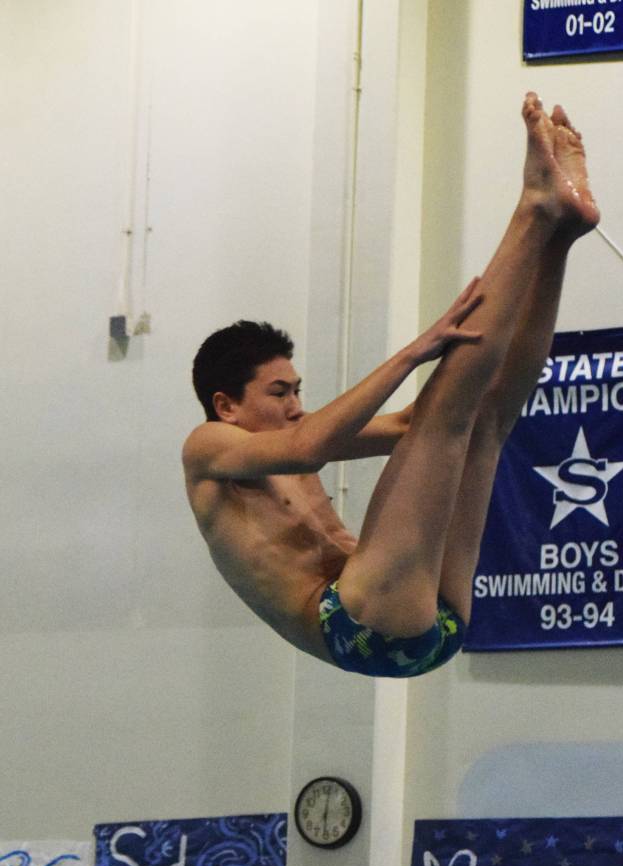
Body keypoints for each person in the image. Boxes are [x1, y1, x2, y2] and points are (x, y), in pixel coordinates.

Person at [183, 93, 599, 677]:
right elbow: (309, 452)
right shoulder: (208, 449)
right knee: (445, 420)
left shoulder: (291, 438)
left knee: (484, 423)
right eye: (279, 394)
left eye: (298, 389)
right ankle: (532, 211)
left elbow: (407, 424)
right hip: (356, 626)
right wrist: (415, 352)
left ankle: (560, 239)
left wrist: (439, 381)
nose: (297, 406)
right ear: (225, 404)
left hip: (427, 615)